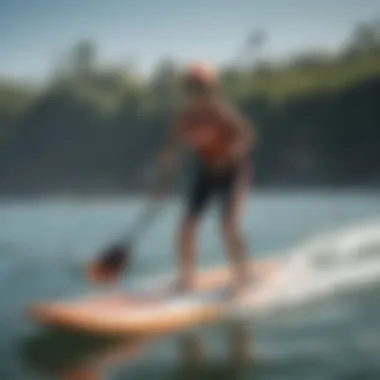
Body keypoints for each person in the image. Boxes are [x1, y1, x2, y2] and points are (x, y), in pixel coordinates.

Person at [155, 62, 257, 297]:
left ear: (211, 90)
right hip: (206, 171)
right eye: (192, 90)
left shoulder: (220, 113)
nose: (197, 95)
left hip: (233, 172)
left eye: (201, 90)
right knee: (186, 226)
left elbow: (247, 137)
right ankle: (186, 279)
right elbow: (171, 145)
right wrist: (167, 162)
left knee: (228, 225)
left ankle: (243, 279)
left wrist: (230, 155)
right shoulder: (185, 117)